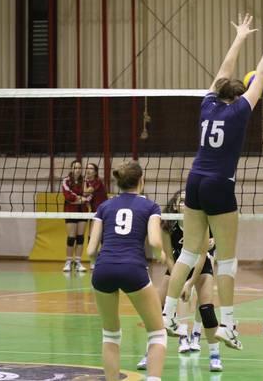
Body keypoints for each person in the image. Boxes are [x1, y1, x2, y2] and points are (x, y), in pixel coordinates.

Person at [162, 13, 263, 351]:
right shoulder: (239, 111)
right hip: (219, 185)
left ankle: (168, 315)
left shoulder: (207, 105)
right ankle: (229, 325)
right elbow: (260, 77)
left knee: (188, 252)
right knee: (227, 260)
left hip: (194, 180)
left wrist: (240, 37)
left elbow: (223, 72)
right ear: (240, 95)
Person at [87, 160, 167, 381]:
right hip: (133, 268)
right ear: (141, 180)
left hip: (103, 268)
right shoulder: (150, 206)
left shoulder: (104, 207)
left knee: (110, 334)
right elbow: (154, 241)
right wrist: (161, 253)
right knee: (157, 334)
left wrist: (105, 261)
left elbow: (91, 250)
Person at [137, 190, 224, 372]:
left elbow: (202, 255)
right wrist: (178, 278)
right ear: (175, 205)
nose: (184, 204)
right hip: (177, 266)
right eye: (181, 201)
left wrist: (190, 283)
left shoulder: (201, 223)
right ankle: (149, 354)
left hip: (200, 267)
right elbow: (169, 257)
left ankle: (215, 356)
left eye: (187, 200)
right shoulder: (168, 225)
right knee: (157, 309)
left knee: (207, 310)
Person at [61, 160, 87, 272]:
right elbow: (68, 196)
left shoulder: (85, 181)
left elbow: (89, 196)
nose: (78, 170)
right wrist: (81, 199)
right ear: (71, 169)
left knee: (80, 238)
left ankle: (78, 262)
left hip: (83, 212)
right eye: (75, 168)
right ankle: (68, 262)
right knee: (71, 237)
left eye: (79, 168)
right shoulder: (66, 181)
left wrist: (79, 200)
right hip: (70, 211)